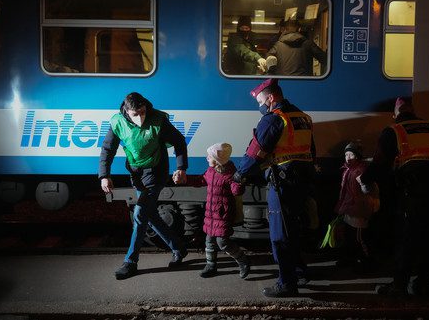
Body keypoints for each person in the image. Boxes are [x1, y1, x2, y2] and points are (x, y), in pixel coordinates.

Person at [359, 97, 429, 296]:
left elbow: (380, 163)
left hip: (412, 193)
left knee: (407, 238)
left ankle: (399, 285)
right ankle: (423, 283)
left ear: (395, 114)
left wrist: (365, 179)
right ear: (413, 111)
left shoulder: (394, 130)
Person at [233, 78, 317, 297]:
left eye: (260, 101)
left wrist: (239, 175)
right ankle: (299, 271)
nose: (259, 106)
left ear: (270, 98)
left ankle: (287, 283)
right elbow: (311, 151)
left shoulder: (272, 120)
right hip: (301, 181)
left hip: (282, 184)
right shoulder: (302, 117)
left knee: (280, 235)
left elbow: (255, 153)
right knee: (295, 230)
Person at [99, 92, 188, 280]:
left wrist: (181, 168)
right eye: (135, 114)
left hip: (156, 172)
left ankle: (130, 262)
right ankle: (178, 247)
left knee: (140, 214)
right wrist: (104, 175)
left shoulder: (158, 120)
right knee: (150, 215)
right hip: (137, 174)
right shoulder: (117, 122)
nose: (140, 118)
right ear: (126, 111)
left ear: (145, 107)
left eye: (142, 112)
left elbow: (179, 141)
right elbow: (108, 149)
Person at [182, 143, 250, 279]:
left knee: (222, 242)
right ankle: (211, 265)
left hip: (223, 214)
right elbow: (200, 180)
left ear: (218, 160)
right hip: (211, 214)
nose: (207, 158)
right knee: (209, 241)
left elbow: (237, 191)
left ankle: (243, 261)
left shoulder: (230, 174)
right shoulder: (211, 171)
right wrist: (185, 178)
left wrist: (239, 181)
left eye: (210, 156)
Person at [334, 141, 378, 271]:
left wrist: (364, 183)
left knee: (359, 237)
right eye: (346, 154)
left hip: (359, 209)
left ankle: (368, 260)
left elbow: (370, 190)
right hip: (350, 208)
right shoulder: (348, 169)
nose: (348, 157)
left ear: (357, 156)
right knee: (348, 236)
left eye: (351, 155)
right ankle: (350, 258)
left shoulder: (361, 170)